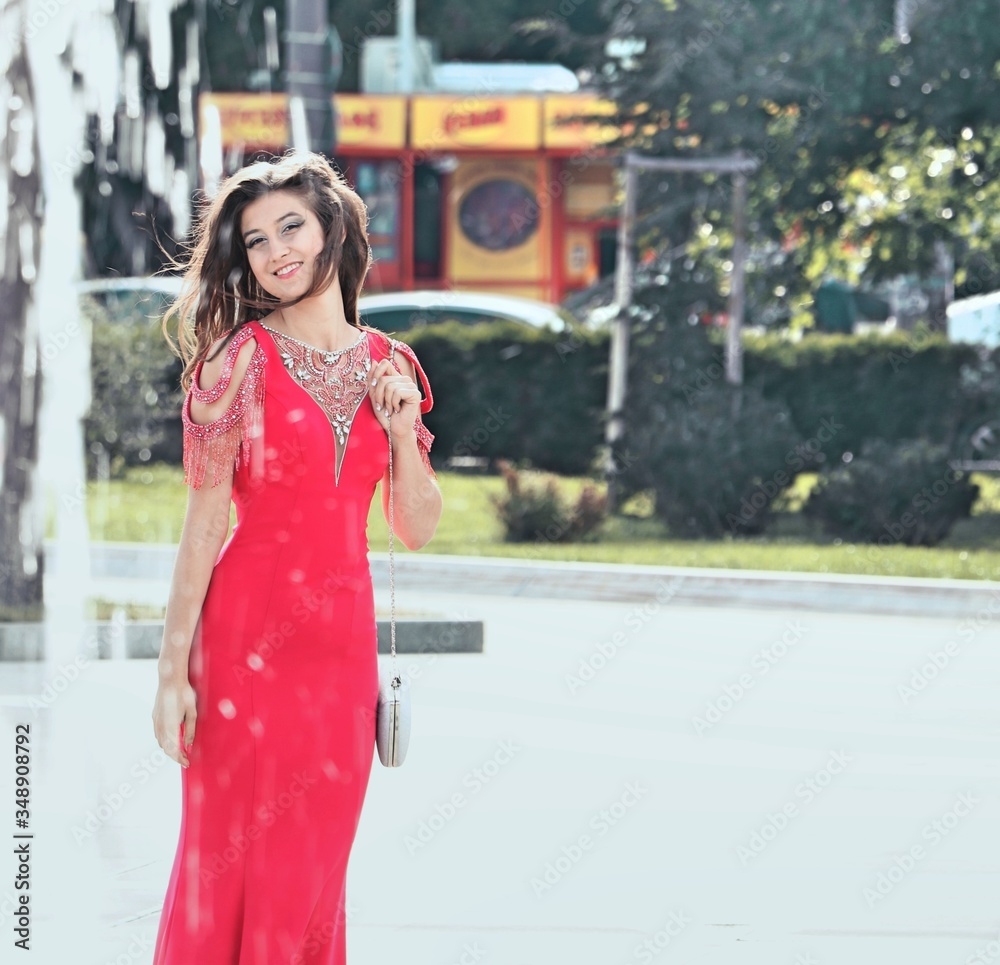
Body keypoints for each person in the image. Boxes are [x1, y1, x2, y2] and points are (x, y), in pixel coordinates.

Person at [150, 150, 443, 964]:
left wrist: (401, 433)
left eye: (291, 228)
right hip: (243, 647)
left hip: (342, 655)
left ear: (331, 230)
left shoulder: (392, 364)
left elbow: (415, 527)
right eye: (256, 241)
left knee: (315, 871)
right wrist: (171, 673)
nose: (276, 251)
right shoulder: (238, 358)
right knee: (229, 868)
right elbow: (204, 525)